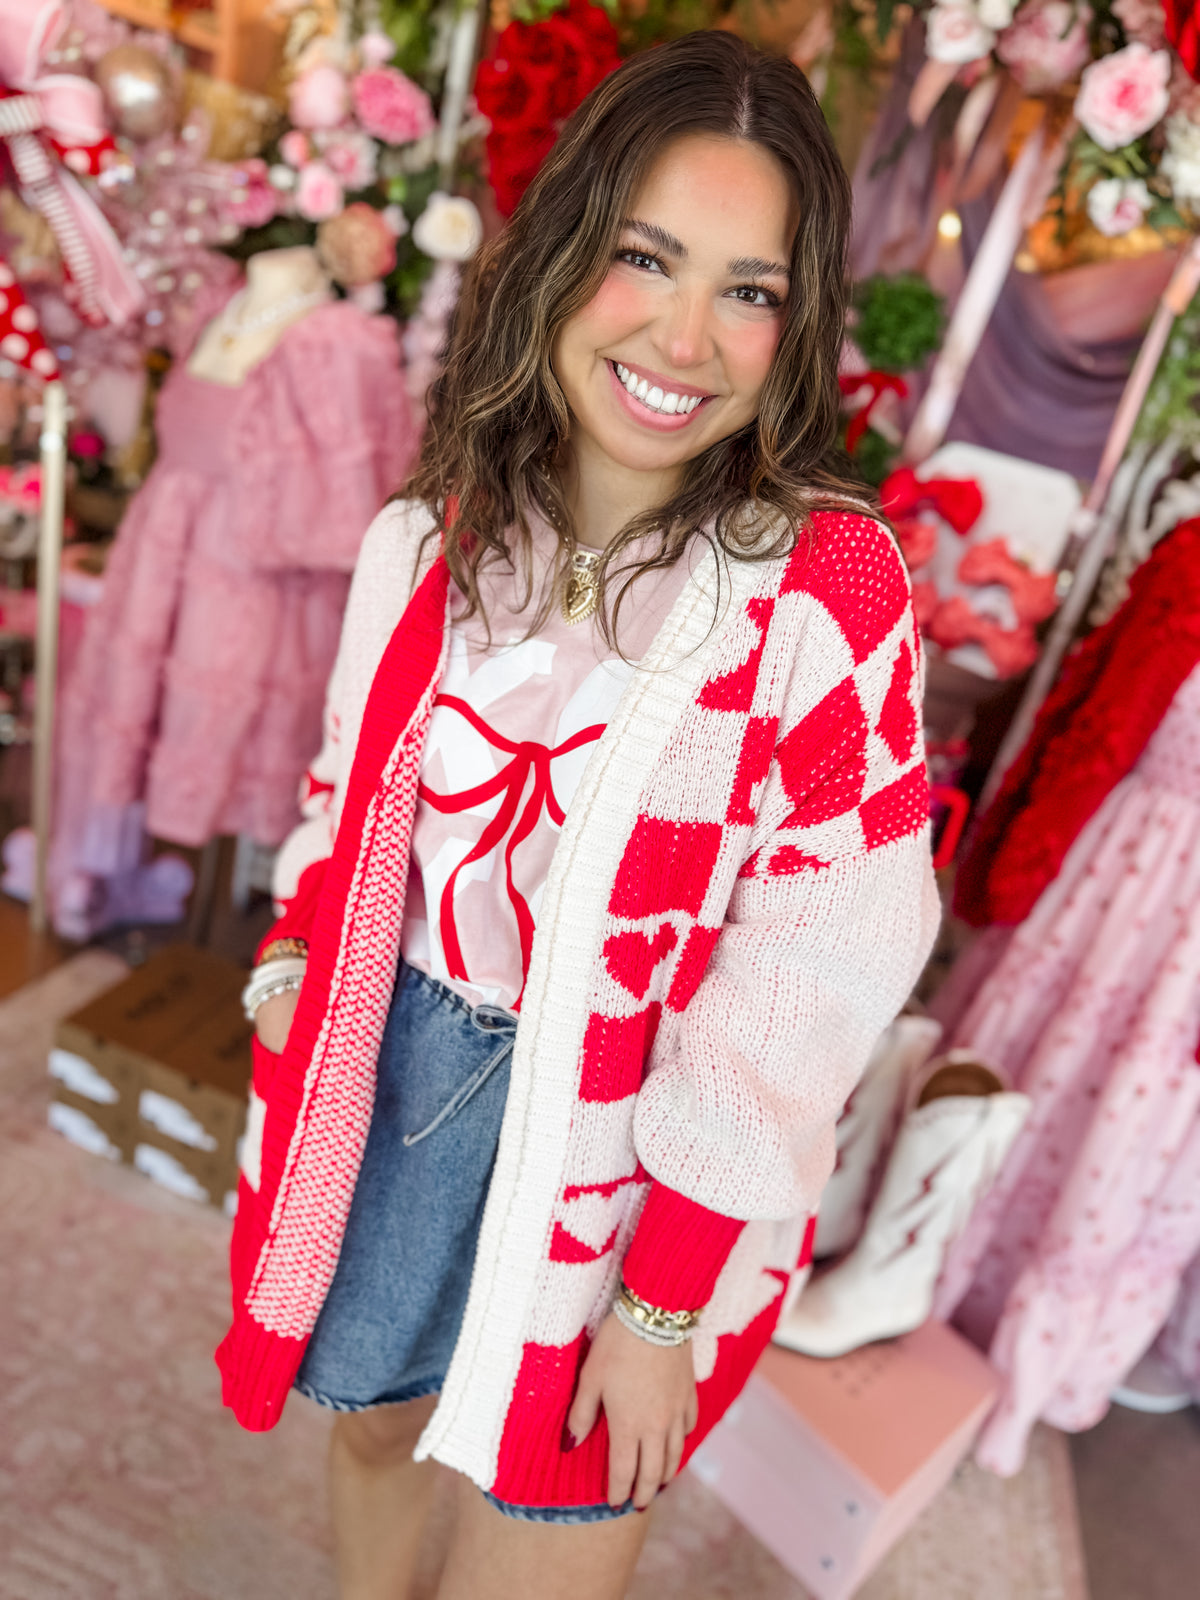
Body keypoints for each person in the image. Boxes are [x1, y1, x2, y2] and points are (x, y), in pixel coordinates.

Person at [217, 30, 939, 1600]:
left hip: (634, 1149)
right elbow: (345, 801)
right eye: (644, 257)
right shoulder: (424, 545)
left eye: (750, 288)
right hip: (395, 1074)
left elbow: (821, 965)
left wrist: (663, 1300)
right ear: (559, 256)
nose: (687, 336)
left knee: (549, 1543)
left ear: (795, 324)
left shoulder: (821, 592)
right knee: (367, 1429)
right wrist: (291, 970)